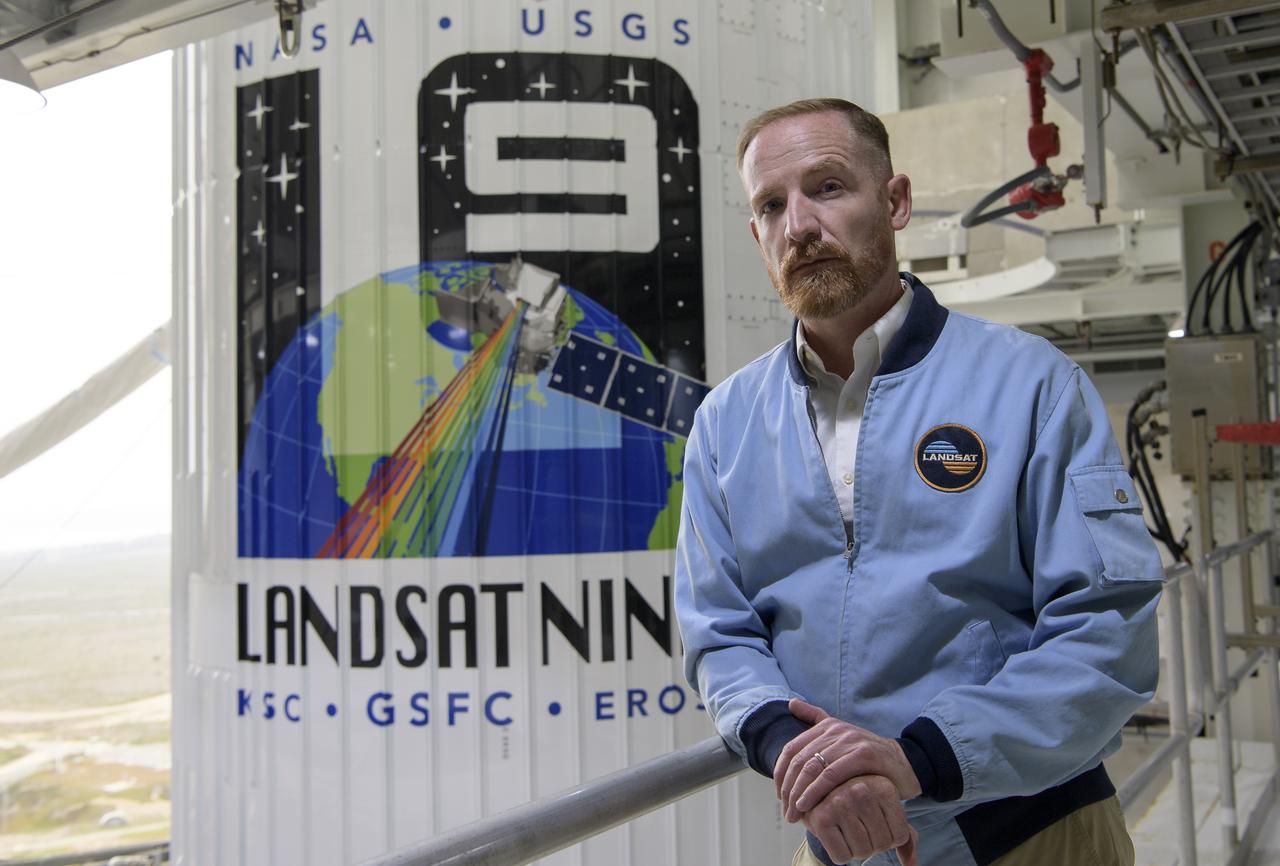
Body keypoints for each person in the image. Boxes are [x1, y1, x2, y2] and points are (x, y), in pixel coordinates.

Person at [673, 97, 1164, 866]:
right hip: (843, 841)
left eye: (828, 188)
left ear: (894, 202)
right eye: (771, 205)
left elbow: (1108, 628)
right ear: (756, 234)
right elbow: (718, 630)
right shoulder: (726, 423)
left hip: (1035, 832)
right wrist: (789, 748)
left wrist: (920, 760)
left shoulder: (1030, 386)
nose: (798, 225)